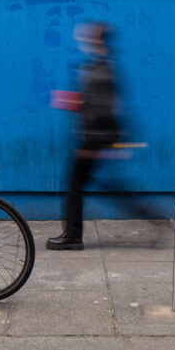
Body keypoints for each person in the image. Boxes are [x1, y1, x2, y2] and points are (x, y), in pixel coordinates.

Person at [48, 21, 127, 251]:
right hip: (95, 137)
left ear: (98, 40)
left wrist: (89, 141)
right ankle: (151, 218)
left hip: (93, 139)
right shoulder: (98, 65)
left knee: (75, 184)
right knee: (94, 185)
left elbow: (101, 107)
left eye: (89, 37)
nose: (84, 40)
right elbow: (92, 102)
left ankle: (73, 237)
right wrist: (72, 101)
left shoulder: (100, 69)